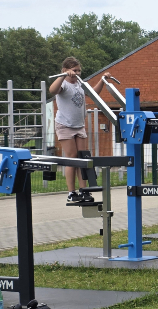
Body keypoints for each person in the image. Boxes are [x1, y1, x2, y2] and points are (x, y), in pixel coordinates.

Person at [49, 57, 113, 203]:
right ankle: (71, 192)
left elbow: (93, 93)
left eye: (79, 70)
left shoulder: (79, 83)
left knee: (82, 158)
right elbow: (52, 90)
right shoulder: (64, 83)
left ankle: (84, 191)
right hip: (65, 124)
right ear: (66, 70)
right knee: (72, 157)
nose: (77, 73)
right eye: (74, 70)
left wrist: (102, 80)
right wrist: (63, 76)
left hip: (79, 125)